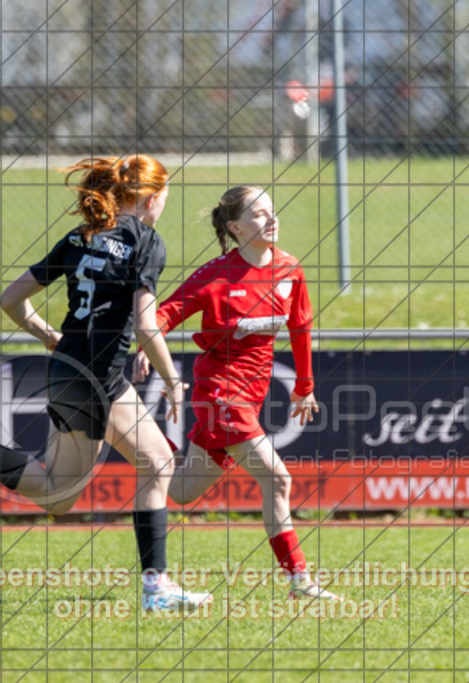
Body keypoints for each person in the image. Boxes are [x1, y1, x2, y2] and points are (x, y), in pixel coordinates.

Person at [0, 154, 211, 612]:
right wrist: (173, 380)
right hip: (97, 376)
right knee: (156, 463)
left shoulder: (80, 236)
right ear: (153, 197)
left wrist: (50, 337)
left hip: (67, 368)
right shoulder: (146, 240)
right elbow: (146, 326)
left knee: (62, 494)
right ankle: (156, 589)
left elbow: (11, 300)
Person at [134, 185, 339, 601]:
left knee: (183, 491)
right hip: (219, 393)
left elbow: (301, 328)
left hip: (253, 395)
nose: (272, 219)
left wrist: (305, 388)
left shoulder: (288, 269)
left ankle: (146, 448)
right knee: (278, 480)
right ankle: (300, 581)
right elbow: (166, 312)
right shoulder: (215, 275)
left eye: (272, 211)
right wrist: (144, 347)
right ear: (235, 227)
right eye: (259, 214)